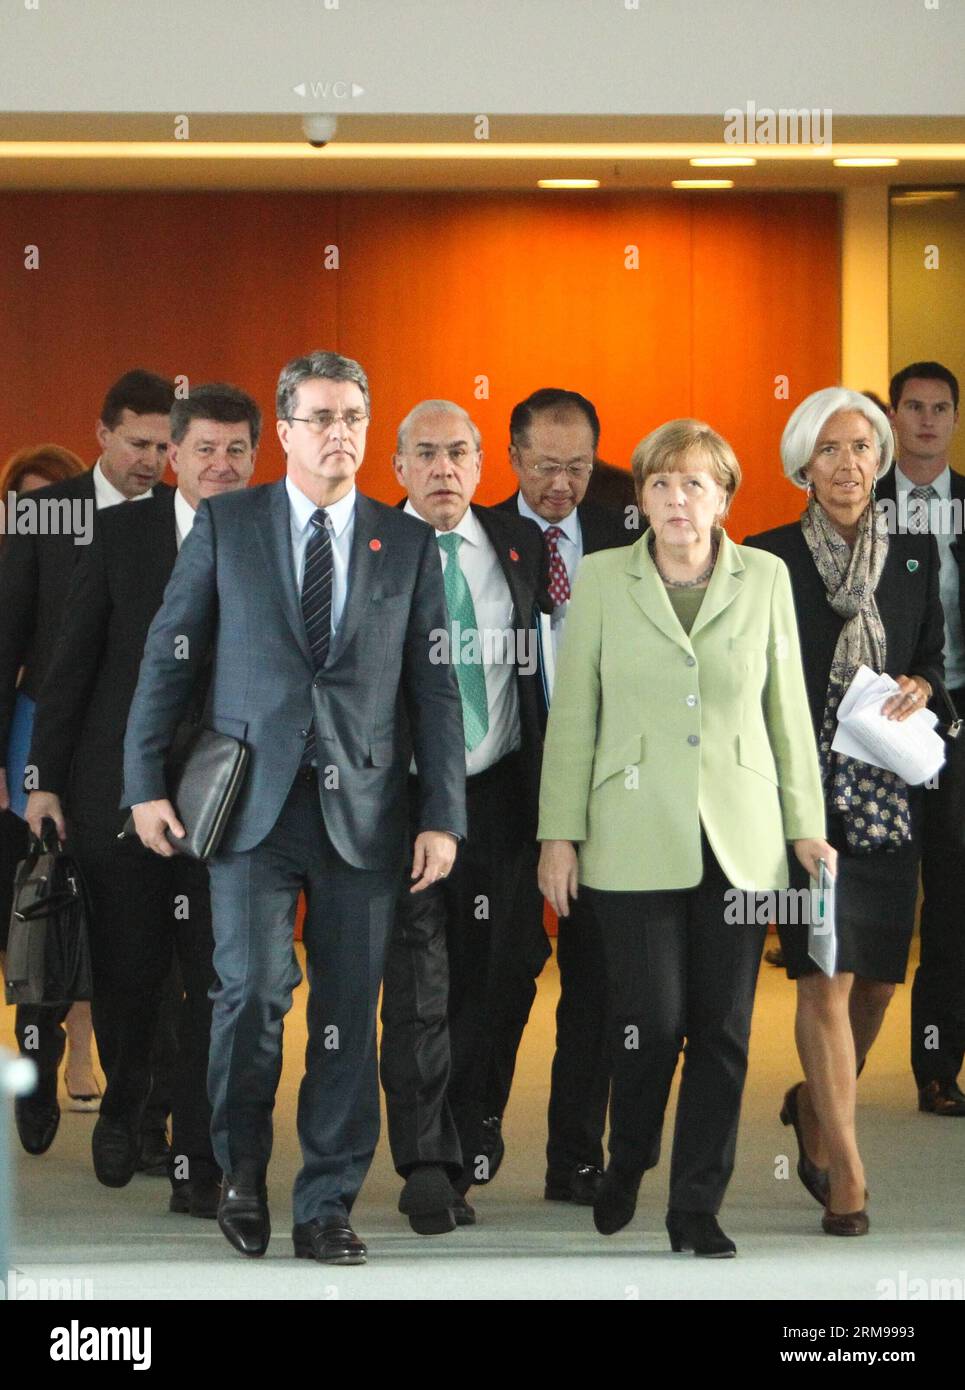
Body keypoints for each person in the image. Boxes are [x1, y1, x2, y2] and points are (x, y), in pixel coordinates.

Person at [123, 351, 466, 1266]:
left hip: (365, 811)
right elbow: (169, 658)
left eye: (352, 416)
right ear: (285, 431)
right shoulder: (231, 526)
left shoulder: (407, 541)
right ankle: (240, 1175)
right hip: (248, 810)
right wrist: (143, 785)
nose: (337, 433)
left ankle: (325, 1204)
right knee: (251, 998)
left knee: (348, 1010)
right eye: (318, 418)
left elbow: (435, 691)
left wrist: (443, 815)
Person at [538, 418, 830, 1257]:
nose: (675, 500)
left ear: (723, 498)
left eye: (693, 484)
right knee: (652, 1022)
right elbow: (574, 718)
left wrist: (804, 829)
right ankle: (628, 1156)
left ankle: (695, 1205)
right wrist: (559, 836)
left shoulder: (766, 577)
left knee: (725, 1029)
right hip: (629, 835)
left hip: (742, 839)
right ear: (640, 498)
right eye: (660, 484)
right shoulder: (599, 580)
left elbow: (786, 715)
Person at [25, 385, 260, 1215]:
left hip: (236, 803)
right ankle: (128, 1095)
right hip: (119, 793)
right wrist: (44, 780)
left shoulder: (275, 536)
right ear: (174, 458)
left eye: (236, 452)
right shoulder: (122, 534)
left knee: (211, 980)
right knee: (129, 974)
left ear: (256, 459)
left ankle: (194, 1153)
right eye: (203, 451)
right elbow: (70, 666)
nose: (220, 466)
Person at [746, 387, 944, 1235]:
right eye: (828, 450)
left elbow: (930, 656)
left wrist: (917, 683)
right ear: (801, 463)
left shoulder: (910, 557)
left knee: (874, 982)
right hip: (801, 799)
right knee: (823, 976)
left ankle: (815, 1107)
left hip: (884, 796)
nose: (848, 465)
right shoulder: (764, 557)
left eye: (862, 448)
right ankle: (846, 1175)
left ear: (880, 459)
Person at [381, 399, 548, 1233]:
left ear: (483, 465)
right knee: (418, 983)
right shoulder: (370, 548)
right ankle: (426, 1161)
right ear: (397, 467)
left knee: (497, 977)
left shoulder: (520, 547)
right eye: (425, 454)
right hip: (403, 800)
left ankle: (472, 1131)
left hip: (503, 798)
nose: (443, 469)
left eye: (458, 453)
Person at [0, 372, 175, 1159]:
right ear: (101, 434)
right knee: (44, 902)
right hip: (42, 728)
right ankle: (35, 1055)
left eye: (164, 446)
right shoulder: (43, 513)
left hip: (134, 744)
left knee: (123, 924)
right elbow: (6, 640)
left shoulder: (180, 522)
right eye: (138, 443)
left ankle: (132, 1103)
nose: (152, 460)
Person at [497, 387, 634, 1207]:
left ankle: (576, 1157)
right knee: (503, 972)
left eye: (578, 466)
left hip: (609, 789)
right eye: (545, 466)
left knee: (601, 982)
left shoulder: (629, 526)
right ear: (512, 457)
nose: (562, 484)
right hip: (507, 788)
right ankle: (470, 1140)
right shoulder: (480, 534)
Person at [0, 445, 101, 1112]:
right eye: (24, 509)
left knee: (95, 897)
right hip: (30, 721)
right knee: (38, 895)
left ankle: (84, 1044)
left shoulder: (106, 555)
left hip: (99, 729)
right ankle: (36, 1039)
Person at [880, 362, 965, 1116]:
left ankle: (936, 1067)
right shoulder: (856, 501)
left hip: (957, 717)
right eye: (913, 407)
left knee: (952, 893)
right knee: (871, 892)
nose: (928, 421)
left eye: (941, 409)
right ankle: (832, 1065)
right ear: (893, 416)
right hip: (876, 722)